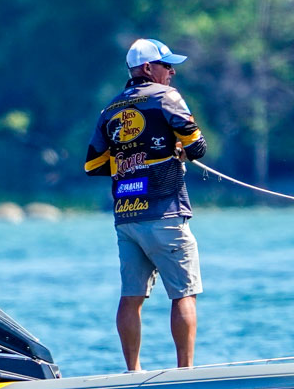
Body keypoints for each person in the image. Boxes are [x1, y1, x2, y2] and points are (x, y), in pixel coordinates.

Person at [84, 37, 207, 371]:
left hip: (127, 217)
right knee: (184, 293)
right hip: (165, 212)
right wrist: (175, 149)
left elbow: (93, 165)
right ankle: (185, 372)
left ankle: (132, 371)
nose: (172, 73)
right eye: (167, 66)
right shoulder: (166, 97)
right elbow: (197, 146)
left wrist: (130, 160)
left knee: (131, 296)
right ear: (148, 68)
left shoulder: (110, 109)